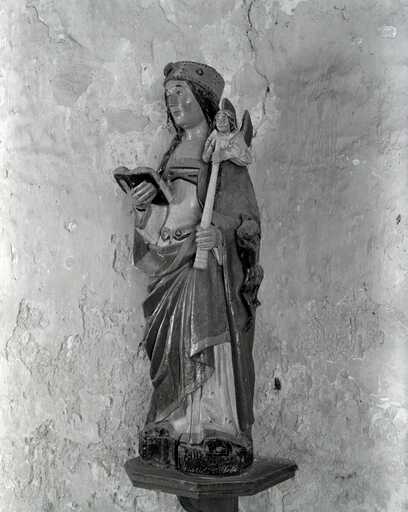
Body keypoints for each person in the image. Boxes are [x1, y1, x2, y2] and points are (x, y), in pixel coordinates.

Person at [128, 61, 263, 475]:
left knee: (207, 337)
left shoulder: (223, 153)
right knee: (171, 342)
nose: (173, 102)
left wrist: (219, 235)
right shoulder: (170, 157)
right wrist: (142, 212)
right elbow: (166, 216)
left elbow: (247, 221)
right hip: (171, 265)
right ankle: (174, 420)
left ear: (202, 100)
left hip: (207, 270)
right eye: (169, 95)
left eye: (181, 93)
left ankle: (217, 425)